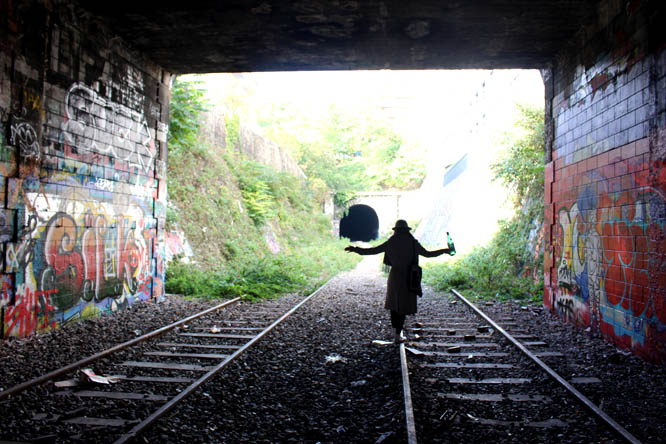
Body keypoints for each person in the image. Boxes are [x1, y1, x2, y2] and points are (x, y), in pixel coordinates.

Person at [345, 219, 452, 343]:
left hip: (395, 276)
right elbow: (428, 254)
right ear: (407, 230)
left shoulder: (391, 242)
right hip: (409, 276)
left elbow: (372, 251)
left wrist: (355, 249)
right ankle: (398, 333)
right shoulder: (412, 242)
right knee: (403, 305)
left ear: (396, 230)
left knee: (394, 304)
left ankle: (396, 333)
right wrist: (445, 250)